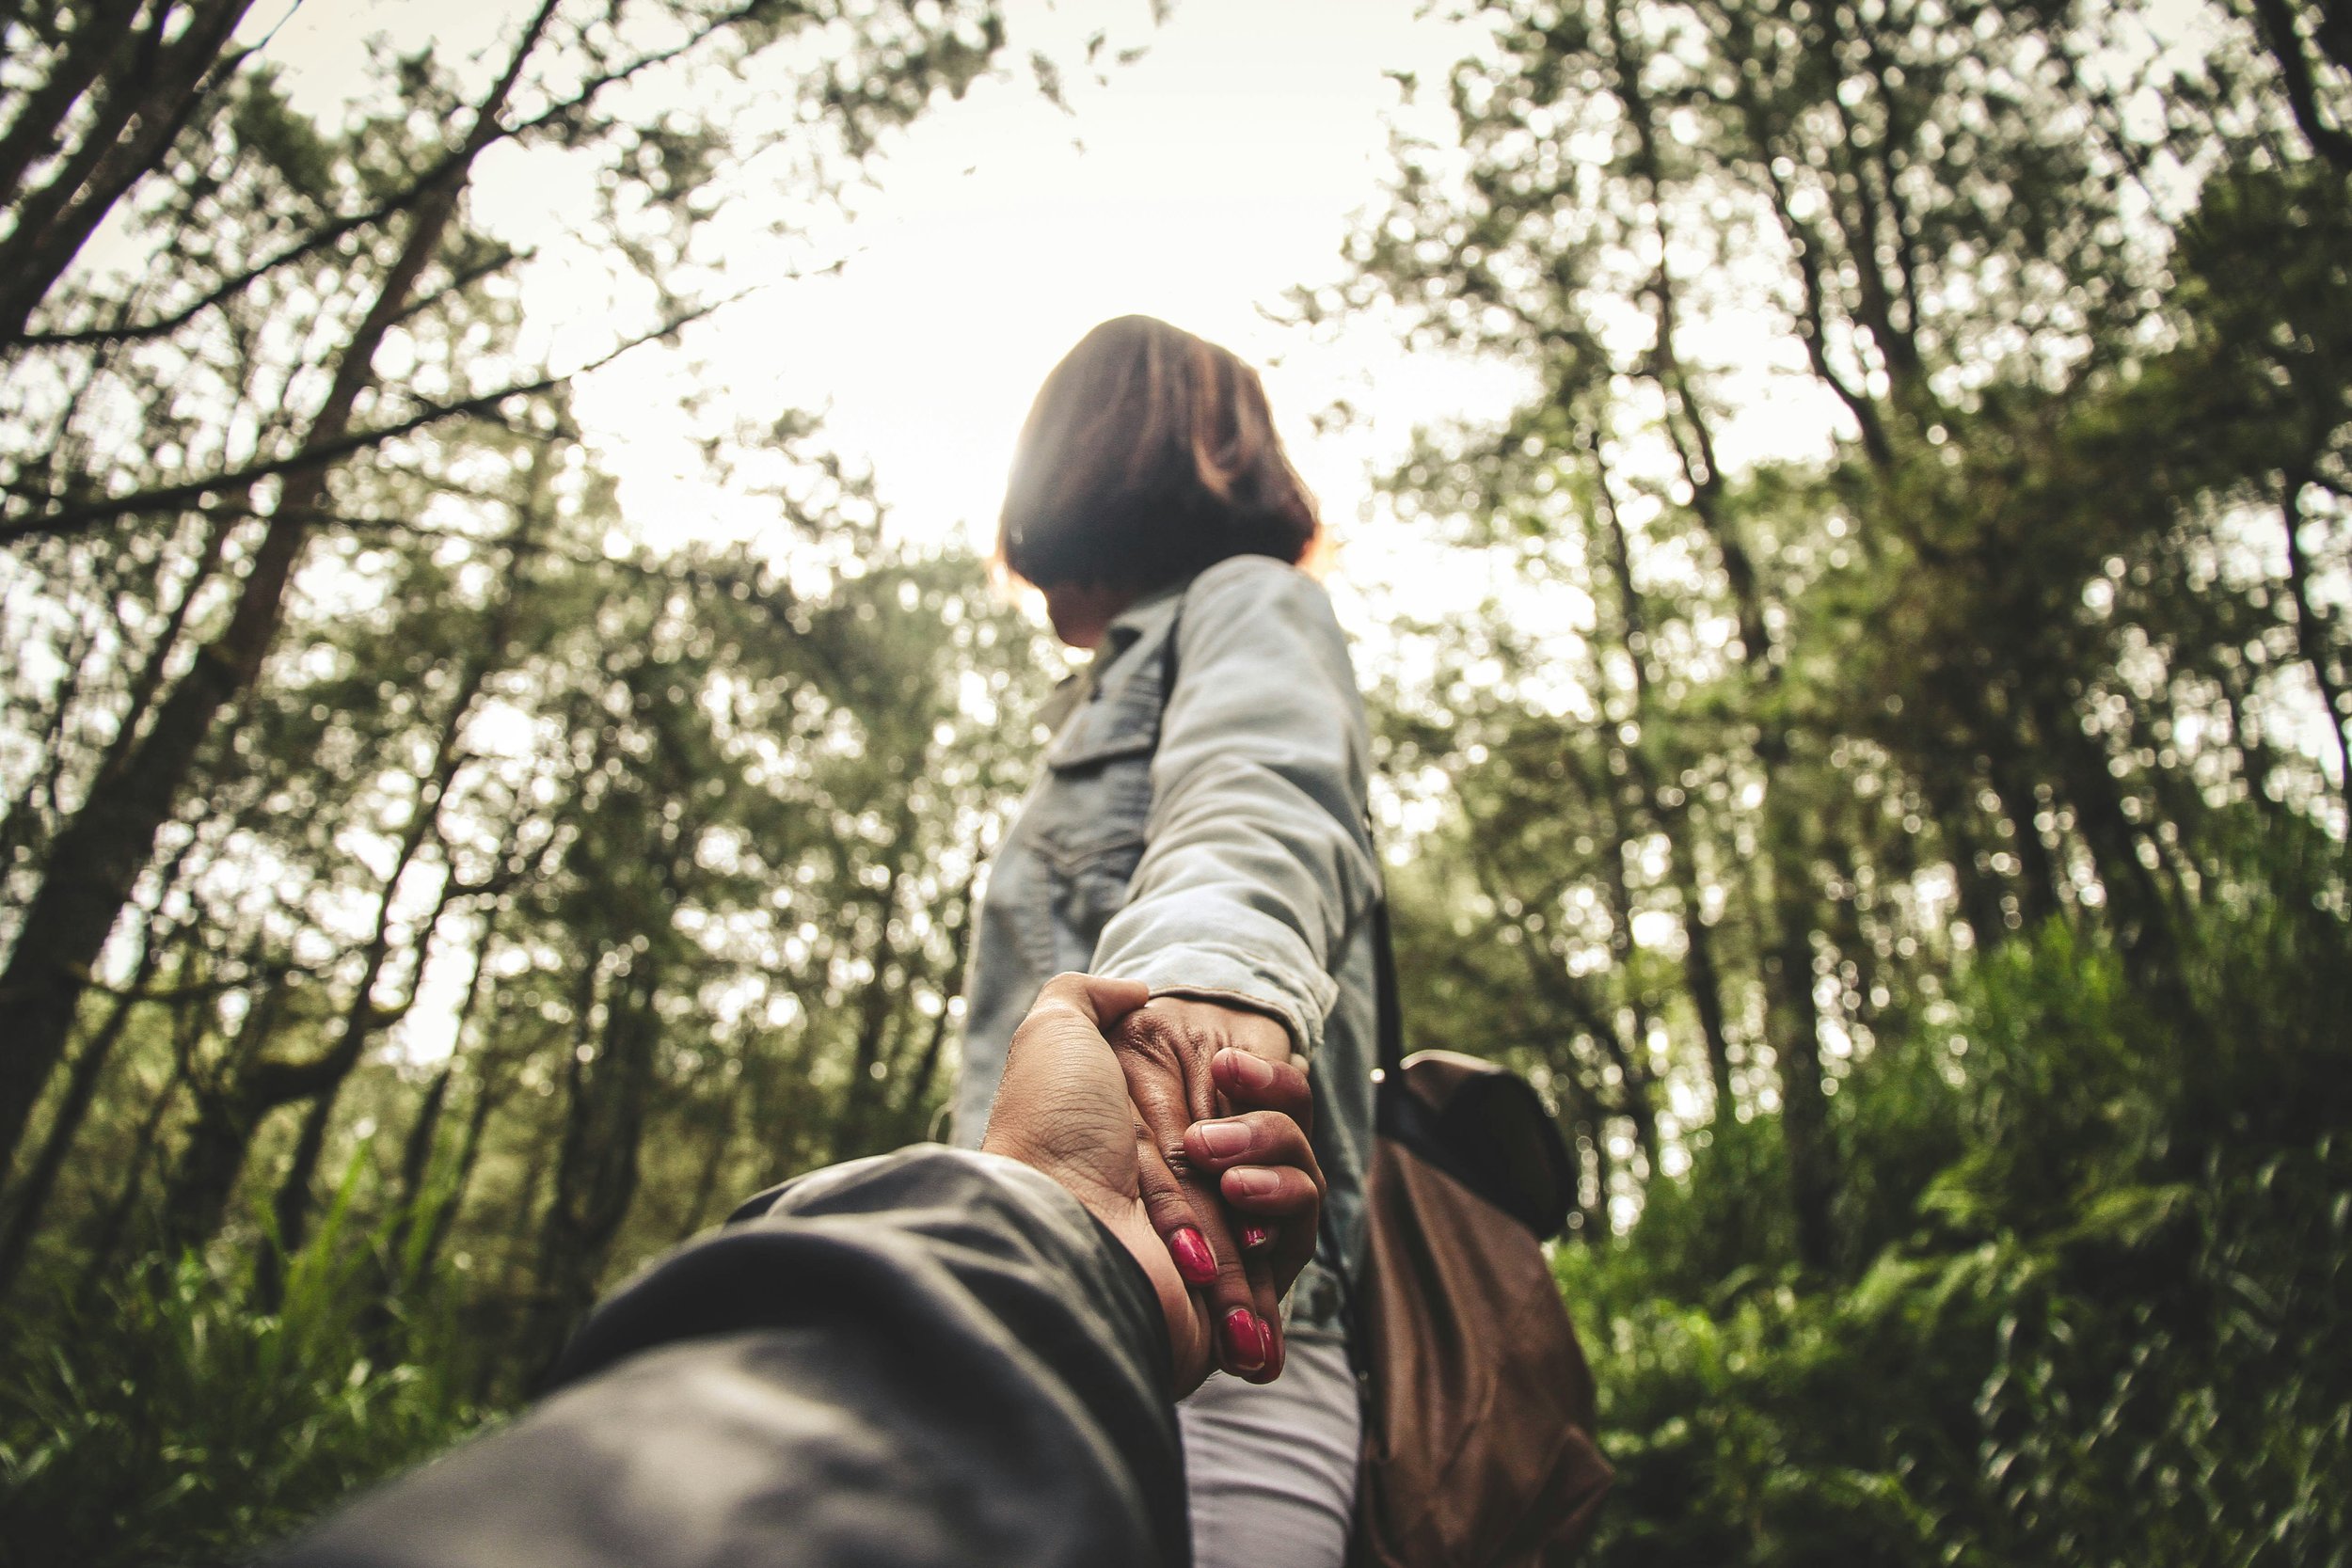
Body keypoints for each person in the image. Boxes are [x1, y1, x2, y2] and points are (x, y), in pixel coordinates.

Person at [269, 973, 1328, 1568]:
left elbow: (1245, 807)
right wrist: (1064, 1209)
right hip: (1099, 1309)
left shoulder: (1230, 593)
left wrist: (1207, 996)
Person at [951, 315, 1381, 1568]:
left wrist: (1191, 1009)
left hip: (1214, 1315)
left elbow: (1261, 796)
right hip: (1040, 1297)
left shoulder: (1251, 605)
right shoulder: (1108, 686)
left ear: (1087, 458)